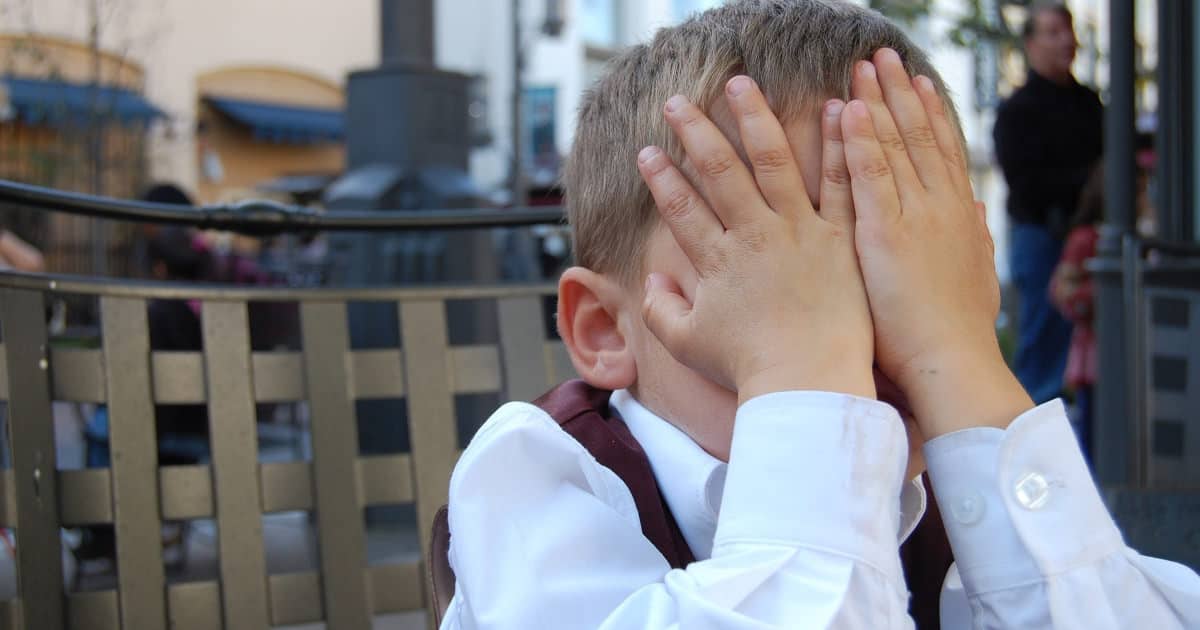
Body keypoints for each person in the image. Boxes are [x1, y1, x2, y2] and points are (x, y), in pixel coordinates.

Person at [437, 2, 1200, 628]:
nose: (856, 336)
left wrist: (960, 364)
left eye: (907, 278)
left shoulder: (946, 493)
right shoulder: (538, 476)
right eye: (785, 285)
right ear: (607, 330)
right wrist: (800, 381)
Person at [993, 2, 1103, 404]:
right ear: (1031, 43)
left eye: (1067, 31)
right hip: (1042, 238)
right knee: (1042, 351)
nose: (1065, 41)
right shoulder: (1017, 111)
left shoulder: (1089, 105)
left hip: (1092, 240)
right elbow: (1025, 185)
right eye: (1053, 32)